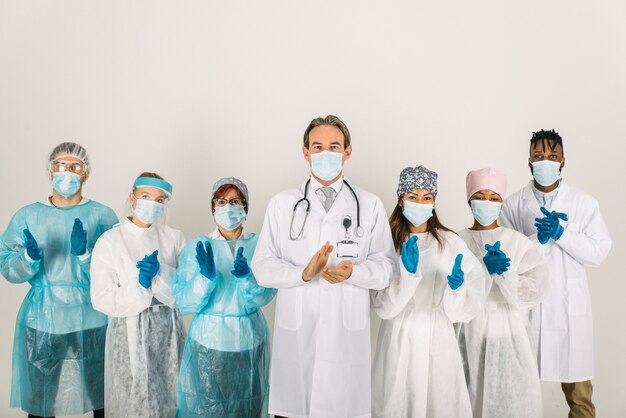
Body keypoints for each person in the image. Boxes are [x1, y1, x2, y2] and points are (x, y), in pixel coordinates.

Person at [251, 115, 396, 418]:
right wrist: (301, 274)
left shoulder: (369, 206)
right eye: (318, 146)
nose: (326, 153)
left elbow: (386, 268)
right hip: (297, 338)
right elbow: (262, 266)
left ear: (348, 152)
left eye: (334, 146)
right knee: (294, 407)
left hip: (346, 341)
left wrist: (354, 272)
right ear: (305, 152)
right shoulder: (282, 204)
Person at [0, 142, 118, 418]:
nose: (67, 171)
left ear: (85, 173)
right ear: (50, 171)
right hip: (43, 318)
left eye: (75, 166)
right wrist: (27, 260)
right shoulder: (28, 215)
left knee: (102, 396)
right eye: (61, 165)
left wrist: (85, 256)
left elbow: (116, 272)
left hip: (91, 317)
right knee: (42, 401)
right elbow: (6, 265)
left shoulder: (103, 216)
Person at [499, 130, 612, 418]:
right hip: (529, 308)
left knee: (580, 398)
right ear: (529, 161)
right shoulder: (513, 205)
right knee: (518, 388)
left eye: (552, 156)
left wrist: (563, 234)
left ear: (563, 161)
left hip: (567, 310)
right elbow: (505, 257)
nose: (545, 161)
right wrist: (534, 239)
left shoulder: (584, 203)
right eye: (539, 156)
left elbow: (599, 252)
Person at [370, 165, 485, 418]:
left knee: (439, 402)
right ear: (401, 199)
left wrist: (458, 289)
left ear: (434, 202)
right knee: (397, 402)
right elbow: (383, 307)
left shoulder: (450, 243)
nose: (420, 203)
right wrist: (407, 277)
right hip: (399, 337)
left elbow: (464, 309)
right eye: (413, 197)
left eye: (427, 197)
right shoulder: (385, 243)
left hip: (439, 337)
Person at [174, 177, 276, 418]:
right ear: (213, 208)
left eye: (234, 201)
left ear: (245, 207)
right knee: (206, 409)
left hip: (250, 341)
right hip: (208, 343)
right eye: (221, 201)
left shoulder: (260, 245)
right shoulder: (199, 245)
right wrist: (205, 278)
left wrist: (247, 278)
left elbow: (267, 294)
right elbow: (183, 301)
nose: (227, 207)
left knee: (247, 407)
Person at [90, 173, 186, 418]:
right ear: (132, 198)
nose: (152, 203)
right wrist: (140, 286)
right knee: (132, 402)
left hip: (169, 334)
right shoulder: (110, 241)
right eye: (145, 196)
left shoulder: (173, 238)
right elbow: (101, 298)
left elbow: (186, 292)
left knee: (171, 397)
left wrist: (162, 274)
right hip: (128, 335)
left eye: (160, 199)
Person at [456, 168, 550, 418]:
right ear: (469, 200)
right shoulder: (456, 241)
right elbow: (450, 291)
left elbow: (534, 290)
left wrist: (505, 275)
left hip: (508, 335)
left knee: (512, 403)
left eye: (494, 198)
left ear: (502, 203)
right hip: (468, 334)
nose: (487, 203)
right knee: (468, 400)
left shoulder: (517, 241)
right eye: (480, 196)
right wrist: (480, 268)